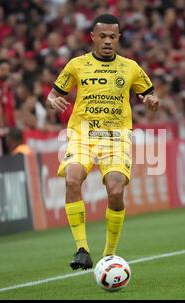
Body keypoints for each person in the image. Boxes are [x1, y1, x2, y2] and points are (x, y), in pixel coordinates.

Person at [45, 14, 159, 270]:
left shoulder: (130, 67)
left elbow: (150, 95)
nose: (107, 41)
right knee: (72, 180)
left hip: (116, 138)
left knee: (116, 191)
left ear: (118, 39)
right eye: (103, 36)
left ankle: (109, 254)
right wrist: (53, 102)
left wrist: (152, 101)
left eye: (113, 37)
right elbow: (52, 96)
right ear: (93, 38)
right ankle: (82, 249)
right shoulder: (77, 65)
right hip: (82, 136)